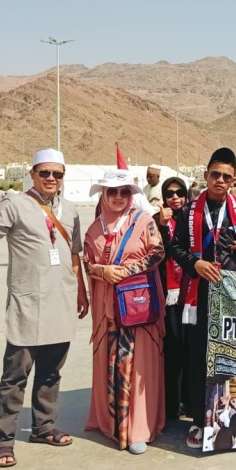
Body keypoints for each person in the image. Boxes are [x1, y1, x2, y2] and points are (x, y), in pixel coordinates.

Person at [0, 148, 88, 468]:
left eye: (57, 174)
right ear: (33, 174)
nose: (51, 179)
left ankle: (43, 427)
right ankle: (2, 440)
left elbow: (74, 254)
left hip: (61, 300)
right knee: (15, 375)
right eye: (44, 173)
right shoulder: (16, 205)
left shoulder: (71, 210)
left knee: (51, 372)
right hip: (28, 303)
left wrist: (82, 292)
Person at [167, 147, 236, 449]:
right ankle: (197, 419)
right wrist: (195, 264)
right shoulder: (189, 212)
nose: (220, 180)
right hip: (200, 294)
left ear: (234, 180)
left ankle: (231, 418)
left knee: (232, 356)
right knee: (198, 356)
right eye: (215, 175)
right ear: (206, 175)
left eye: (227, 177)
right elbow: (175, 248)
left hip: (233, 292)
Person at [83, 169, 166, 454]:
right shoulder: (94, 229)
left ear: (131, 196)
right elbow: (87, 263)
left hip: (137, 306)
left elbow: (157, 253)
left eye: (124, 192)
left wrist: (125, 271)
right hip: (108, 309)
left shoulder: (144, 222)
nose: (118, 197)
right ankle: (112, 423)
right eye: (112, 192)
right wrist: (101, 271)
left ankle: (138, 427)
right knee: (110, 358)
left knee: (139, 364)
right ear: (103, 195)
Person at [155, 175, 190, 421]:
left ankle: (188, 401)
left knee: (191, 348)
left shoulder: (192, 219)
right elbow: (158, 253)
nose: (175, 197)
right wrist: (162, 226)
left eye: (179, 193)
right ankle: (170, 405)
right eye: (170, 193)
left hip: (192, 293)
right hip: (168, 294)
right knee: (173, 349)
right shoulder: (157, 222)